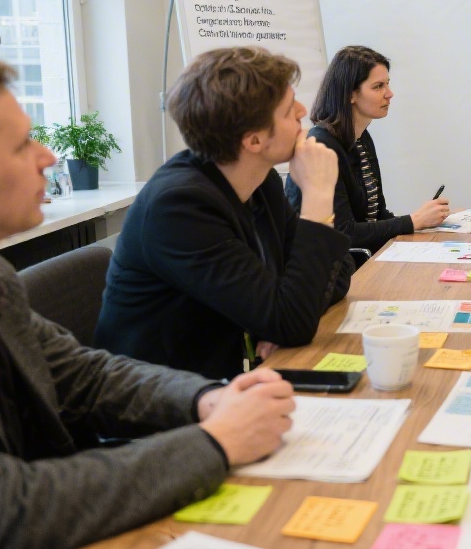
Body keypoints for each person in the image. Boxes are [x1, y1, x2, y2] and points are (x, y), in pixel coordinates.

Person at [0, 55, 296, 549]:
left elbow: (84, 375)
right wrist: (213, 443)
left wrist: (206, 400)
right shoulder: (182, 198)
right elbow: (0, 511)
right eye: (21, 145)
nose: (48, 156)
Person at [95, 47, 353, 381]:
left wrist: (281, 317)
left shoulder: (262, 182)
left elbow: (338, 276)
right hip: (163, 408)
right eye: (290, 110)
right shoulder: (179, 208)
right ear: (254, 140)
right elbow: (294, 319)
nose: (305, 111)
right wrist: (318, 195)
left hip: (231, 383)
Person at [286, 45, 449, 252]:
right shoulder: (322, 147)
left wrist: (422, 222)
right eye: (378, 86)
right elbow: (344, 233)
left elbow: (377, 215)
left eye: (387, 84)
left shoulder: (362, 138)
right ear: (350, 95)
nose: (389, 94)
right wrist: (413, 221)